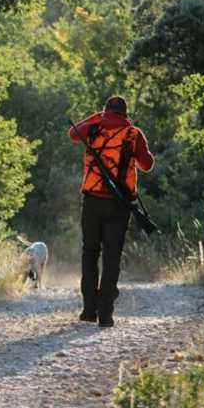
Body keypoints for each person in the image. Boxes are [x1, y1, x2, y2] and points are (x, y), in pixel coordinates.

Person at [67, 96, 155, 327]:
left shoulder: (93, 127)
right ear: (125, 114)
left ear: (105, 111)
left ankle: (88, 309)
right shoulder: (133, 133)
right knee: (112, 256)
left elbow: (72, 133)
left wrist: (98, 117)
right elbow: (147, 165)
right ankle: (105, 314)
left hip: (92, 200)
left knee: (90, 252)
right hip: (119, 204)